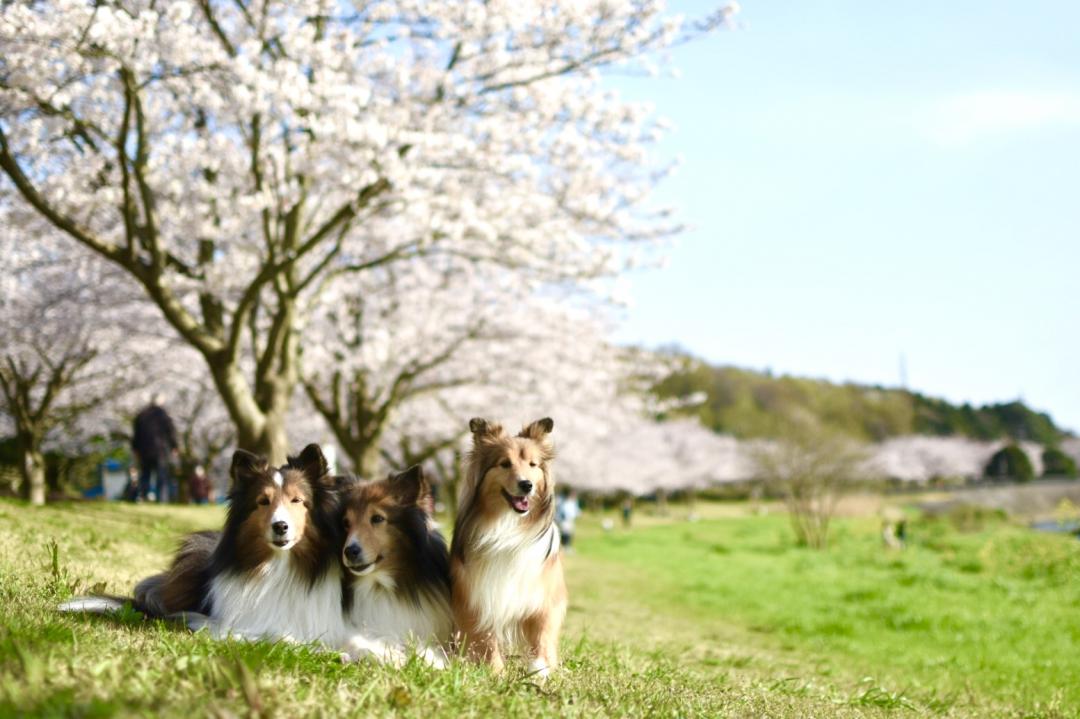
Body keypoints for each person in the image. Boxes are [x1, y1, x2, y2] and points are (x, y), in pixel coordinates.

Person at [131, 395, 178, 503]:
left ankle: (143, 497)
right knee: (161, 477)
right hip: (161, 451)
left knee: (145, 475)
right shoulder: (164, 415)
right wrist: (174, 447)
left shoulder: (141, 415)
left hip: (144, 451)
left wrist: (135, 449)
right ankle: (161, 500)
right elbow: (171, 433)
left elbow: (136, 436)